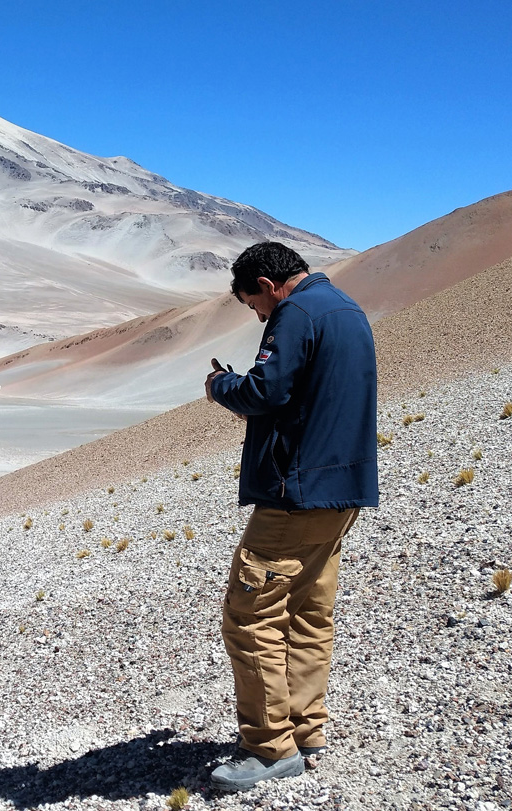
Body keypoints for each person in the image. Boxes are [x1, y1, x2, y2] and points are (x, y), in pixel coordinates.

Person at [202, 241, 379, 791]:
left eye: (252, 302)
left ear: (267, 282)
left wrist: (220, 386)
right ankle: (304, 729)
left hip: (295, 495)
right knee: (305, 613)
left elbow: (265, 389)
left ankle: (268, 748)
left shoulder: (295, 313)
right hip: (340, 490)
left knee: (250, 616)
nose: (257, 313)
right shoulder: (347, 309)